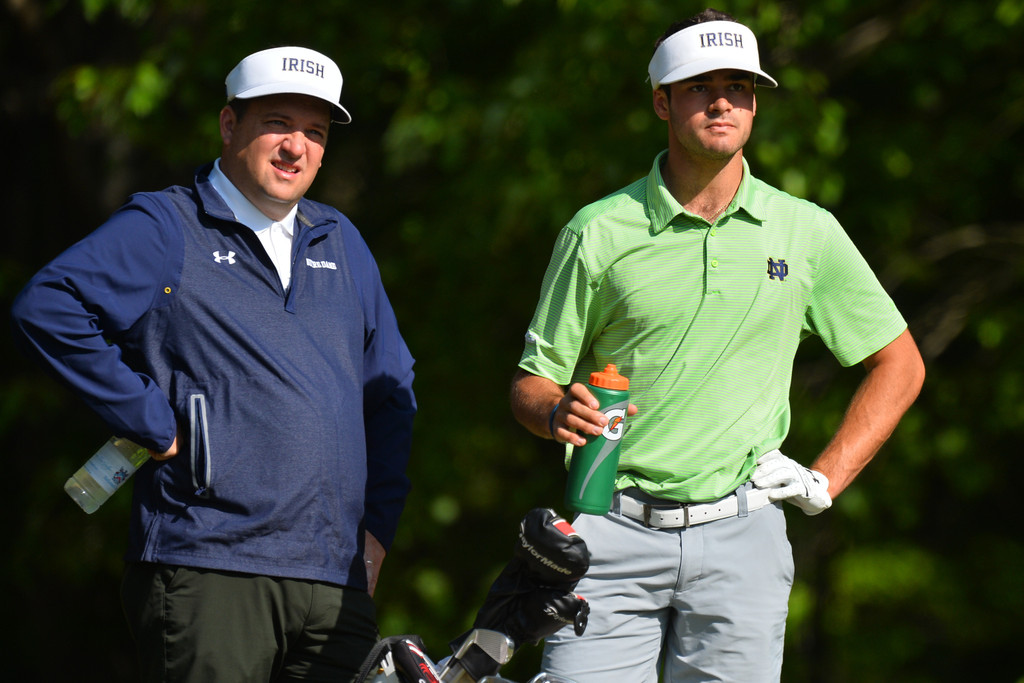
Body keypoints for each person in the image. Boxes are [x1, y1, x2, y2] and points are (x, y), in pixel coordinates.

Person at [510, 9, 925, 682]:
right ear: (662, 101)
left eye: (740, 85)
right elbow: (533, 380)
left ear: (756, 105)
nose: (723, 100)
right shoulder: (597, 231)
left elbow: (899, 363)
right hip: (611, 528)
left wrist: (824, 479)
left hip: (744, 536)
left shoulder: (804, 230)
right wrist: (556, 411)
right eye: (700, 86)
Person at [10, 46, 416, 682]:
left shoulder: (342, 239)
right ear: (230, 126)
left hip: (333, 582)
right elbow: (49, 306)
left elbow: (392, 393)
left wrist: (378, 531)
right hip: (208, 566)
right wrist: (151, 420)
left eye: (314, 132)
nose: (296, 148)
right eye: (277, 124)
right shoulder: (167, 224)